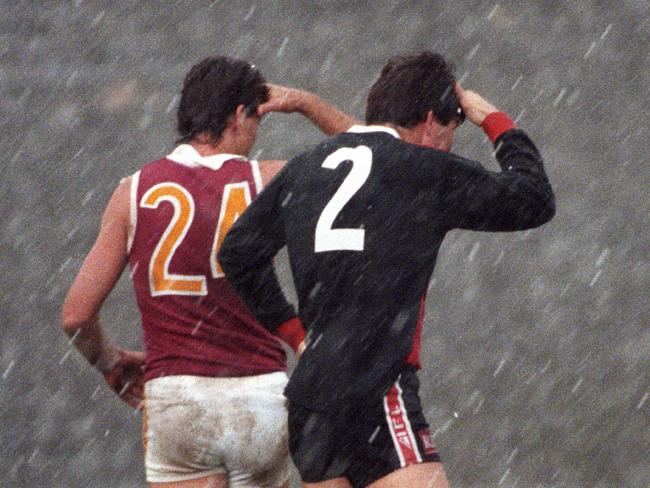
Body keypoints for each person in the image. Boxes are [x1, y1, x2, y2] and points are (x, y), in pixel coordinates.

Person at [218, 50, 555, 488]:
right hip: (376, 386)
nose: (449, 146)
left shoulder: (306, 167)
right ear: (433, 120)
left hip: (311, 399)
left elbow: (238, 253)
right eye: (451, 132)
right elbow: (534, 198)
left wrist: (293, 332)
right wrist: (491, 118)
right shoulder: (424, 170)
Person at [61, 55, 355, 488]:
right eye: (257, 119)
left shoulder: (133, 191)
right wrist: (305, 103)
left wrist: (110, 362)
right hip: (260, 399)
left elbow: (76, 316)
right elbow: (378, 154)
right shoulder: (270, 179)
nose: (256, 134)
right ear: (239, 115)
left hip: (178, 400)